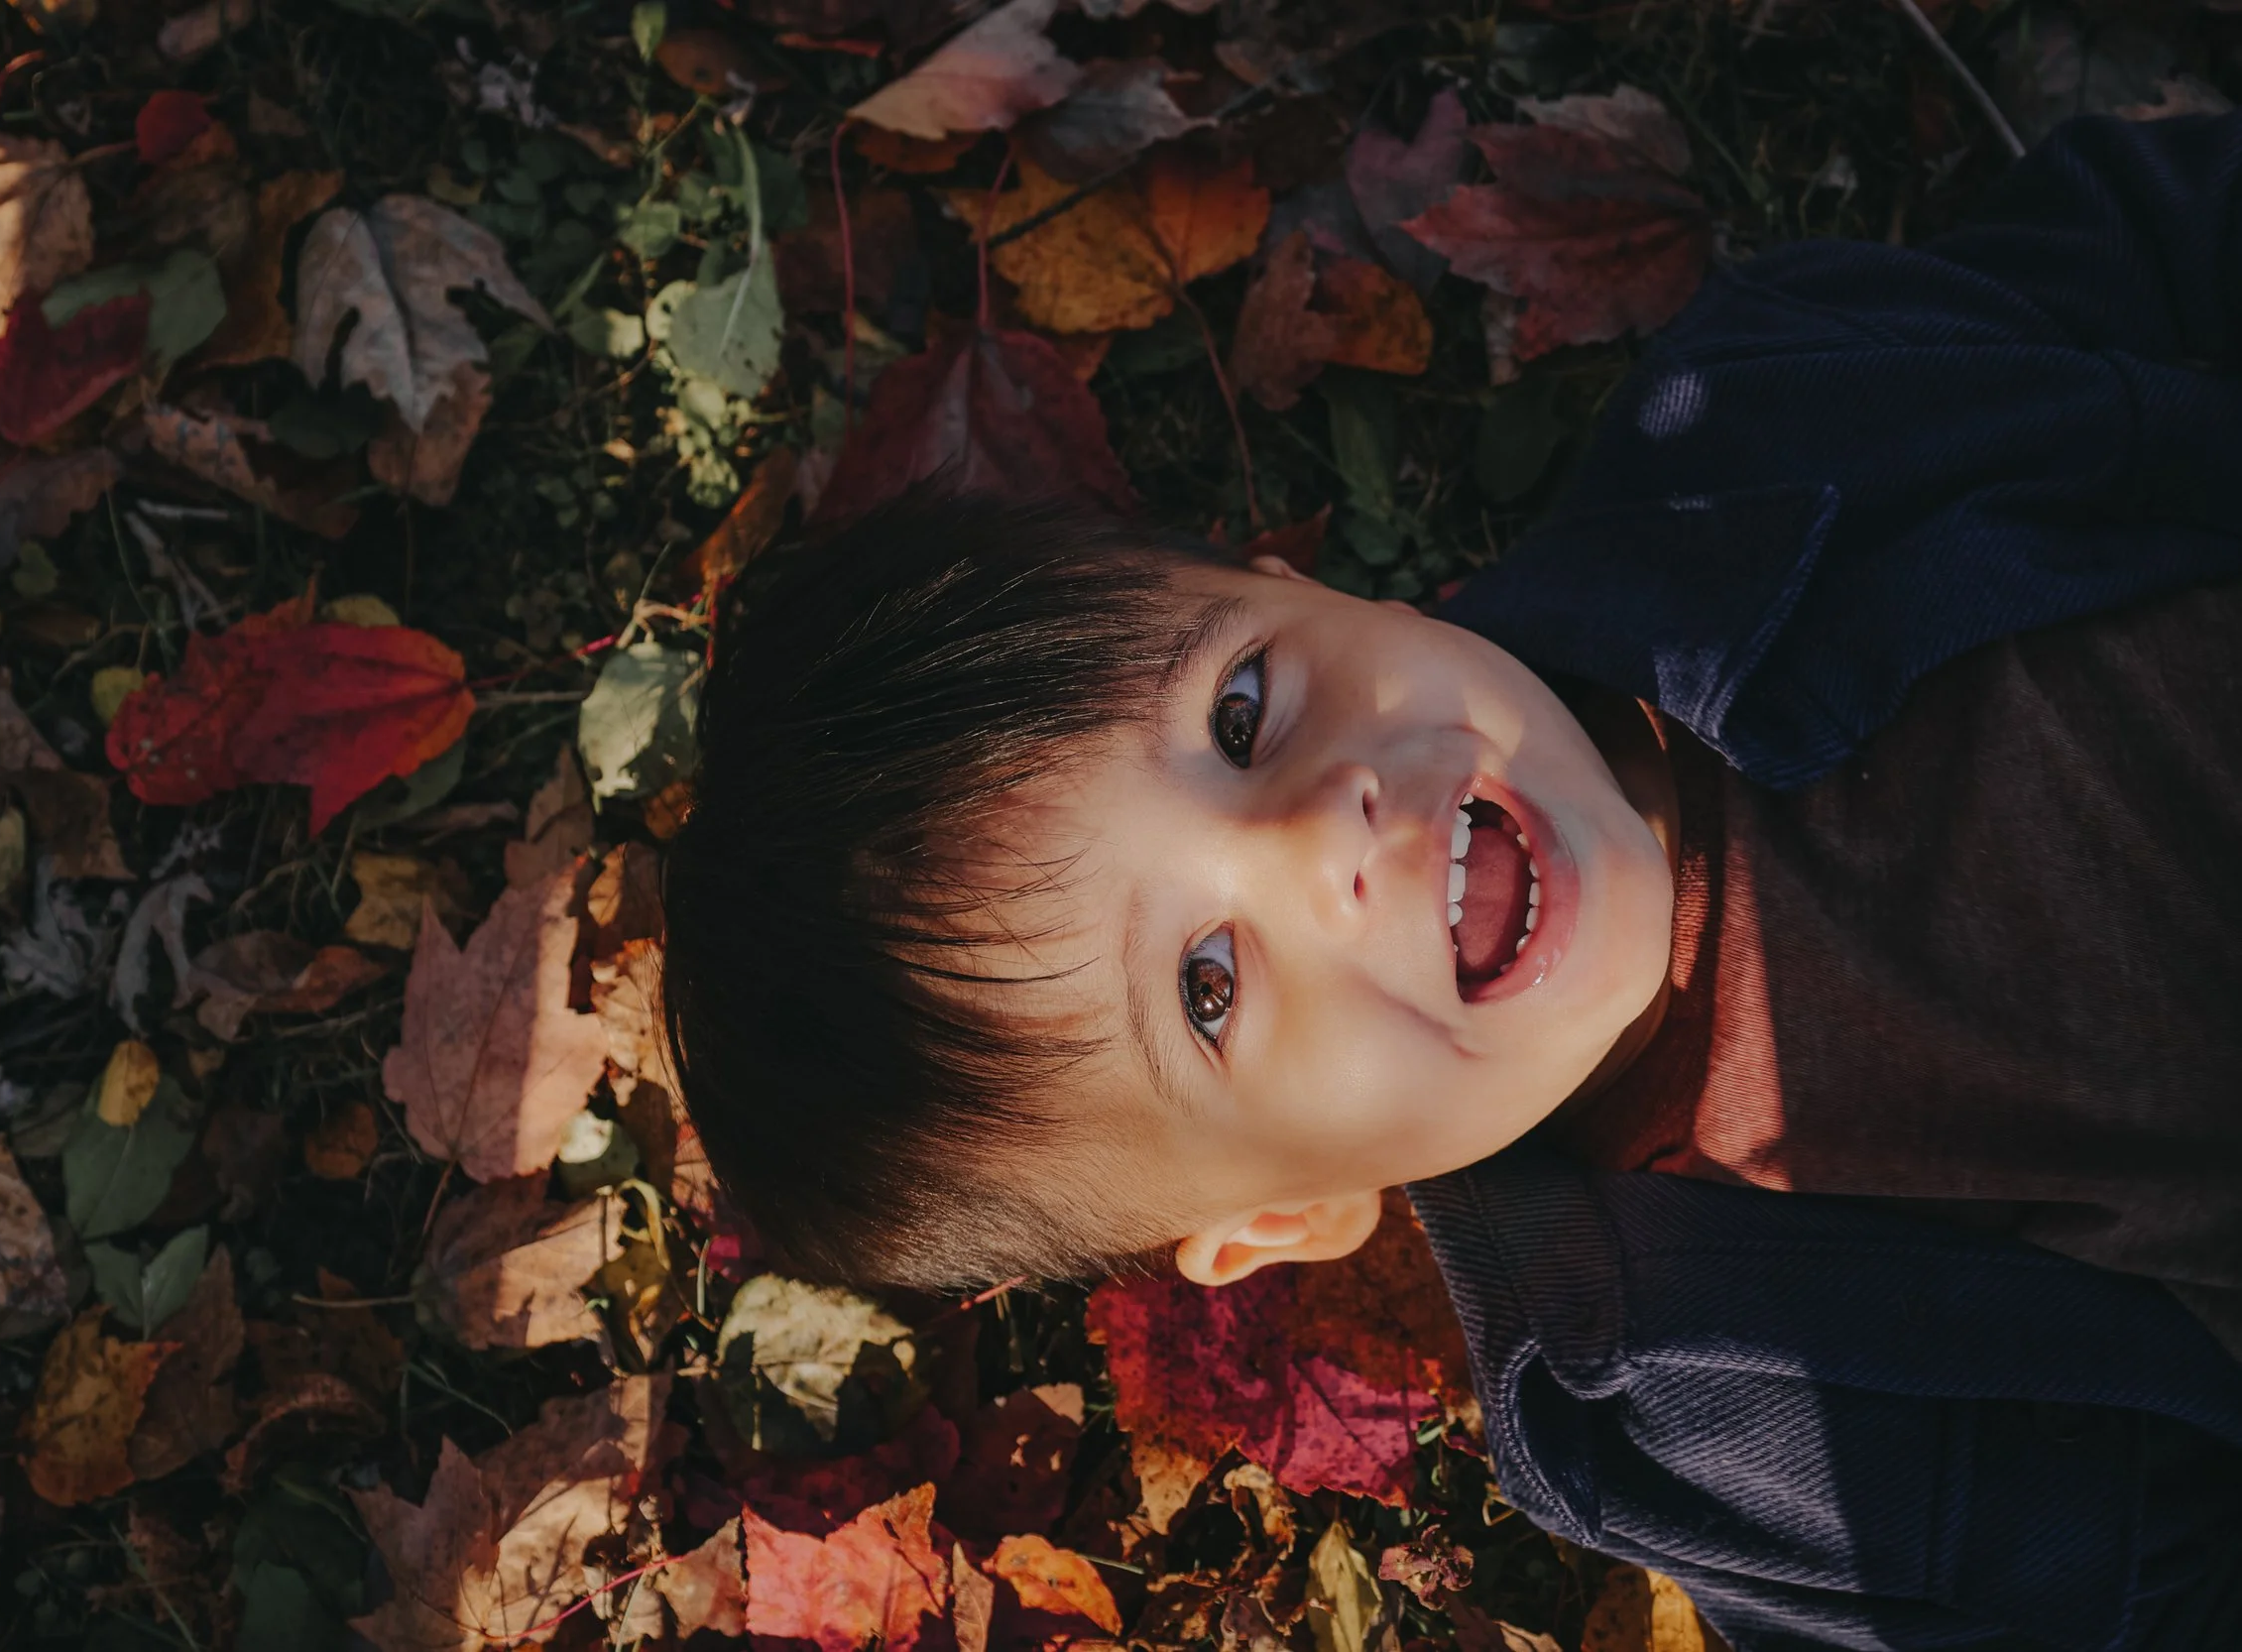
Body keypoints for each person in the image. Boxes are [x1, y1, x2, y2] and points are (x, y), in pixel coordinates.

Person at [660, 111, 2242, 1647]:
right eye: (1206, 986)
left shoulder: (1771, 426)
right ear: (1281, 1210)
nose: (1321, 832)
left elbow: (2155, 234)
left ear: (1291, 584)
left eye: (1239, 711)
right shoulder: (1692, 1422)